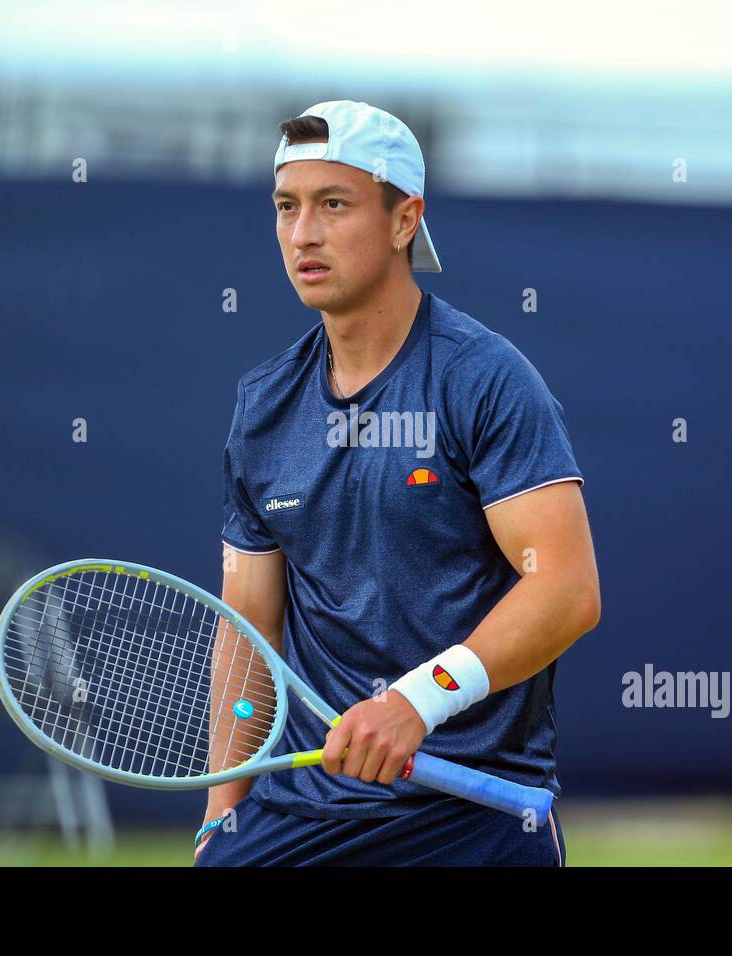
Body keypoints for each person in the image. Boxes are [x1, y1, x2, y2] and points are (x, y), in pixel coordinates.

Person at [194, 100, 601, 866]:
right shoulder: (262, 406)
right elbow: (248, 627)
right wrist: (222, 814)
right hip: (300, 817)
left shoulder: (486, 381)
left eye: (333, 204)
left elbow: (567, 590)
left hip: (472, 814)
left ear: (404, 219)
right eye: (287, 207)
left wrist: (416, 702)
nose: (302, 233)